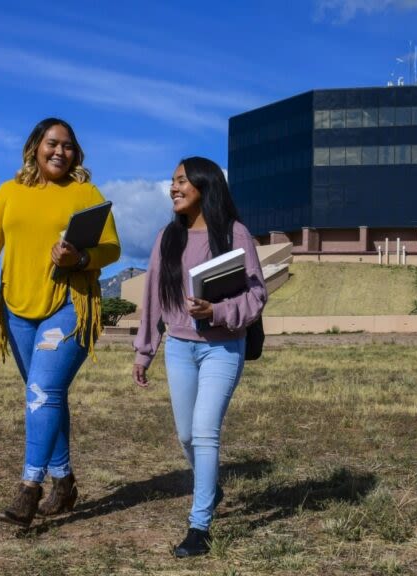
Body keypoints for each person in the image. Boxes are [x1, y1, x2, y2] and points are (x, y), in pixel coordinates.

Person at [0, 118, 121, 527]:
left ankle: (29, 488)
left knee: (42, 390)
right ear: (35, 146)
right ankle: (64, 482)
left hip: (70, 304)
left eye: (68, 146)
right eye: (52, 143)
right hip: (16, 308)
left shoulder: (85, 192)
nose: (60, 152)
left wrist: (80, 259)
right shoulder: (9, 192)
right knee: (45, 395)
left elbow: (111, 247)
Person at [132, 157, 266, 557]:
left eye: (181, 181)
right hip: (179, 346)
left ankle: (199, 525)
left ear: (205, 186)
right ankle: (212, 487)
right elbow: (152, 298)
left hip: (223, 347)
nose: (174, 188)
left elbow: (257, 295)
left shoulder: (234, 233)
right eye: (172, 182)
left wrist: (217, 312)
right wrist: (144, 353)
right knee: (187, 435)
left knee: (205, 432)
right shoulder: (166, 238)